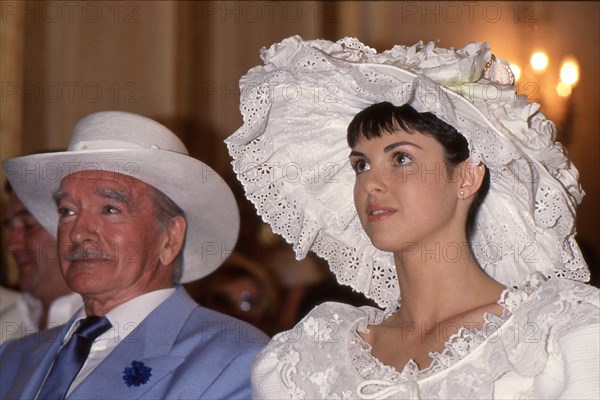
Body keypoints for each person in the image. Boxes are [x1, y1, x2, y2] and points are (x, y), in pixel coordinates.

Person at [226, 36, 600, 399]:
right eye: (360, 165)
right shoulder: (308, 359)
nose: (371, 183)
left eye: (401, 158)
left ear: (467, 176)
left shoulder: (555, 338)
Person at [0, 111, 269, 399]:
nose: (78, 233)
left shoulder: (234, 360)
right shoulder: (13, 358)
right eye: (67, 211)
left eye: (110, 209)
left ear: (170, 237)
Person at [1, 181, 83, 344]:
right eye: (10, 227)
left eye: (28, 225)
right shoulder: (7, 324)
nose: (12, 245)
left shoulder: (109, 323)